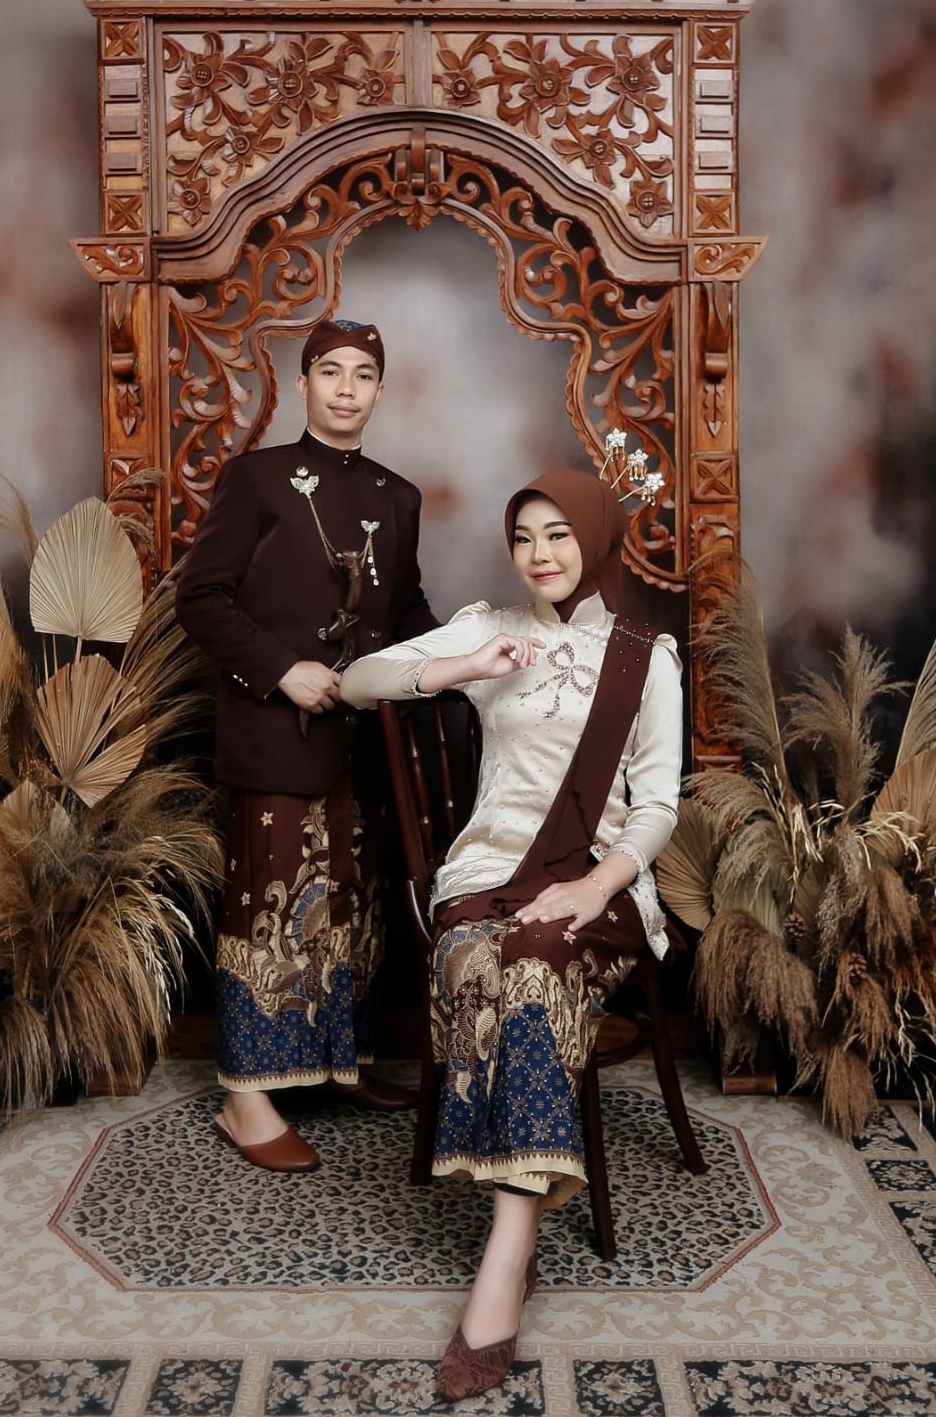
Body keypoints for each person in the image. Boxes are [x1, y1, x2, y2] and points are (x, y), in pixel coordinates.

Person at [340, 468, 682, 1402]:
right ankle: (518, 1232)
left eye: (560, 533)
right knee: (481, 960)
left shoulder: (647, 657)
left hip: (600, 879)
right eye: (525, 536)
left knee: (531, 969)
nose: (540, 554)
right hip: (486, 875)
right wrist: (465, 669)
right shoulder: (488, 626)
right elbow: (357, 681)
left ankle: (505, 1249)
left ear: (597, 537)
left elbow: (657, 804)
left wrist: (593, 886)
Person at [175, 317, 437, 1172]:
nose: (347, 387)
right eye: (331, 371)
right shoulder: (254, 478)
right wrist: (280, 669)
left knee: (352, 908)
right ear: (302, 382)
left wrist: (472, 654)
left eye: (364, 373)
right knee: (269, 907)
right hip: (274, 729)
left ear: (381, 390)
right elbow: (201, 598)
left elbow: (405, 613)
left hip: (365, 740)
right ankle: (246, 1098)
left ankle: (339, 1062)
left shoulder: (400, 496)